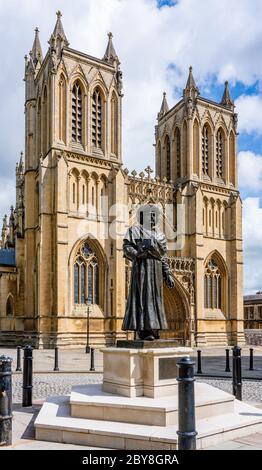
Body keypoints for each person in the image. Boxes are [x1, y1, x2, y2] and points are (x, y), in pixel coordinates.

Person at [122, 204, 174, 341]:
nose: (152, 218)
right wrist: (137, 253)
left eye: (154, 215)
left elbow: (163, 256)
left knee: (155, 298)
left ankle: (154, 328)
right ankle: (144, 330)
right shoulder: (134, 230)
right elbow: (127, 247)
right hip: (142, 267)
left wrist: (167, 273)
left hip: (156, 269)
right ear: (142, 217)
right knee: (142, 297)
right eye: (149, 215)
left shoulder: (160, 234)